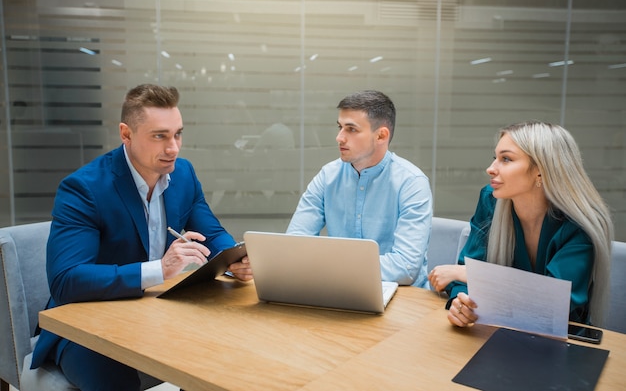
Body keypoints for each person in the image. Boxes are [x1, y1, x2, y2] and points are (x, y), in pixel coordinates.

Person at [30, 84, 253, 391]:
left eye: (178, 134)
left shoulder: (183, 174)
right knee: (114, 379)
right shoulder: (84, 188)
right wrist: (160, 270)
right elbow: (66, 280)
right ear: (126, 134)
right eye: (159, 136)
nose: (173, 147)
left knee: (222, 359)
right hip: (88, 324)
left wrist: (236, 258)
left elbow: (211, 233)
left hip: (152, 312)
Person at [428, 121, 613, 328]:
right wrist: (462, 304)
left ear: (541, 170)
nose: (490, 169)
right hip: (495, 330)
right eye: (495, 158)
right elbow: (466, 268)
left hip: (560, 343)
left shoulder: (578, 224)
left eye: (506, 159)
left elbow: (553, 303)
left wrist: (471, 275)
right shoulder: (491, 200)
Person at [286, 90, 433, 287]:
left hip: (402, 298)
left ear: (381, 136)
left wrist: (327, 266)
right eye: (340, 127)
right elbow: (295, 244)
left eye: (351, 129)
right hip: (340, 290)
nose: (339, 137)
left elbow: (405, 268)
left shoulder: (411, 183)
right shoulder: (328, 176)